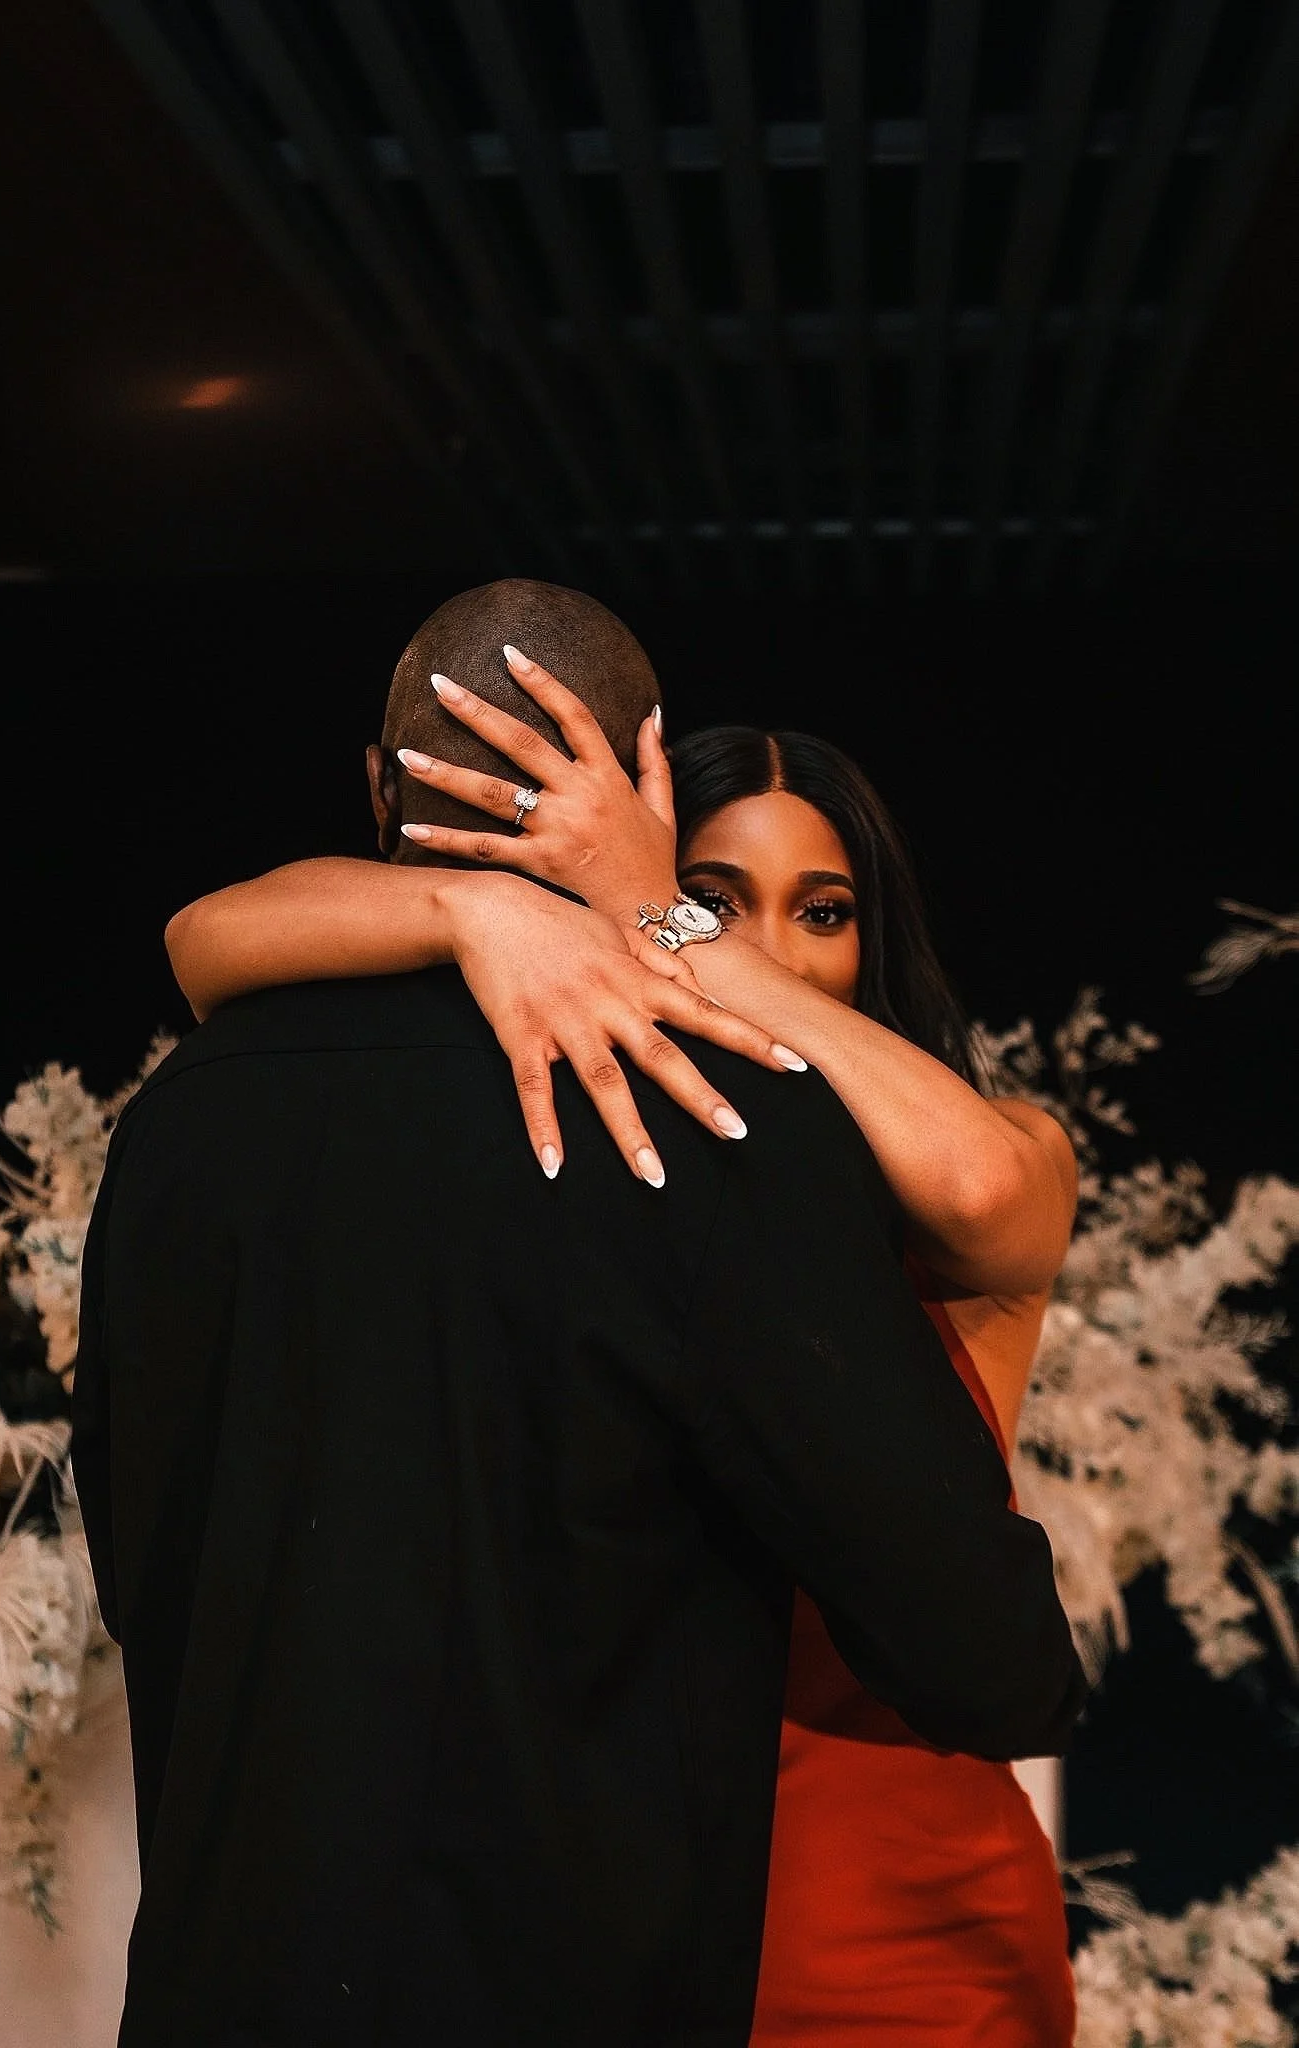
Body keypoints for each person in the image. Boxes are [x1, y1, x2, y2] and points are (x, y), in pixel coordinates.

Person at [74, 579, 1085, 2048]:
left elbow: (143, 1535)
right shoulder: (706, 1132)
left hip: (250, 1975)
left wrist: (644, 911)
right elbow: (991, 1661)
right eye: (720, 895)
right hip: (604, 1948)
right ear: (649, 797)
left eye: (822, 909)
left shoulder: (181, 1118)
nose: (766, 945)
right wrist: (498, 906)